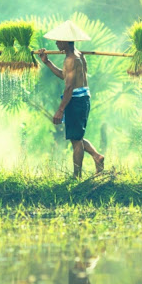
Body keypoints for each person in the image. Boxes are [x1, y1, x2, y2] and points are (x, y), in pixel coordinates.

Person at [38, 20, 105, 178]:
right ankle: (97, 157)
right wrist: (47, 62)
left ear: (65, 42)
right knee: (77, 137)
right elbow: (64, 76)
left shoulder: (70, 60)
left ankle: (77, 176)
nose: (55, 43)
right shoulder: (78, 55)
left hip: (75, 100)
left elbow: (68, 87)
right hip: (83, 98)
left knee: (76, 142)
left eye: (58, 40)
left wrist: (60, 110)